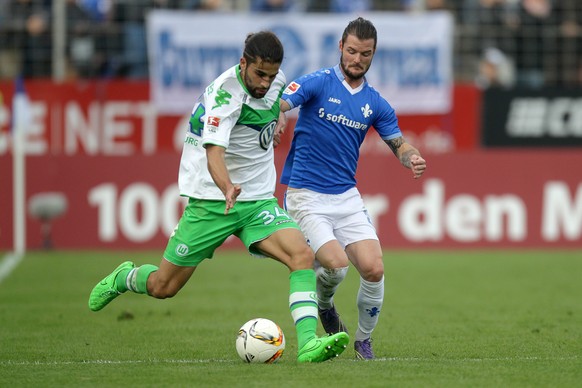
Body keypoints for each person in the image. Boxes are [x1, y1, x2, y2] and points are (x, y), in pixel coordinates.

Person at [88, 31, 349, 363]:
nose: (265, 82)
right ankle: (124, 277)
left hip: (256, 200)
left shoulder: (274, 79)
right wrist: (227, 187)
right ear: (243, 64)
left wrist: (279, 115)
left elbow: (276, 101)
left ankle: (309, 342)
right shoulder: (226, 98)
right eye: (259, 75)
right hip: (213, 200)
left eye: (271, 76)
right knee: (163, 287)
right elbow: (214, 155)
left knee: (301, 255)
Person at [277, 17, 427, 360]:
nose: (357, 59)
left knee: (374, 269)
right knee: (336, 265)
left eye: (365, 53)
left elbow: (399, 145)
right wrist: (280, 114)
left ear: (373, 55)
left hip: (345, 196)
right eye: (352, 51)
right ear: (341, 47)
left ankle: (362, 341)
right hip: (305, 196)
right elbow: (281, 102)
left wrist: (412, 156)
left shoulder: (376, 103)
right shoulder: (317, 82)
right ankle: (325, 305)